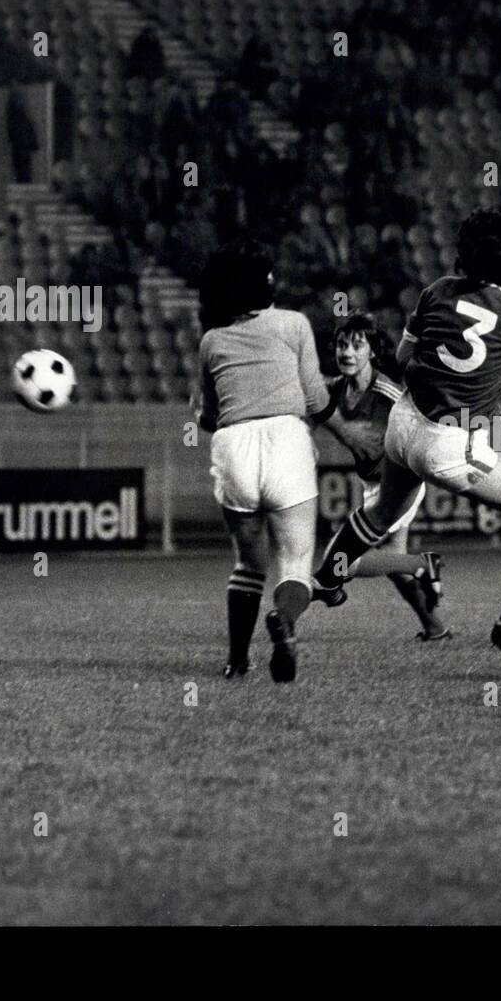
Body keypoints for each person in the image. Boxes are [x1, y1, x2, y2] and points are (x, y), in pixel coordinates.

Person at [310, 208, 501, 661]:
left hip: (403, 422)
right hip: (450, 444)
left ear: (464, 253)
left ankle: (327, 577)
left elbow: (400, 356)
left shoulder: (436, 291)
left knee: (379, 516)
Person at [195, 239, 335, 682]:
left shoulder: (211, 340)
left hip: (234, 443)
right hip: (285, 438)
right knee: (295, 561)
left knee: (248, 563)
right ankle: (285, 621)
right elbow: (314, 398)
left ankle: (237, 662)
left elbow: (209, 416)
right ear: (263, 283)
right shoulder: (294, 324)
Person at [319, 310, 448, 640]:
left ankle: (421, 564)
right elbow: (306, 394)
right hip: (373, 485)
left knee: (340, 564)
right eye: (342, 345)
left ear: (372, 352)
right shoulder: (335, 388)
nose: (347, 352)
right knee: (394, 566)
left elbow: (425, 427)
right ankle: (435, 628)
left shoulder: (389, 395)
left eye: (357, 346)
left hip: (398, 485)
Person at [6, 90, 39, 184]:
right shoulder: (16, 116)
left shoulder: (17, 115)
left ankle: (23, 181)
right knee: (22, 169)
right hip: (20, 146)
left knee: (22, 169)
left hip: (21, 145)